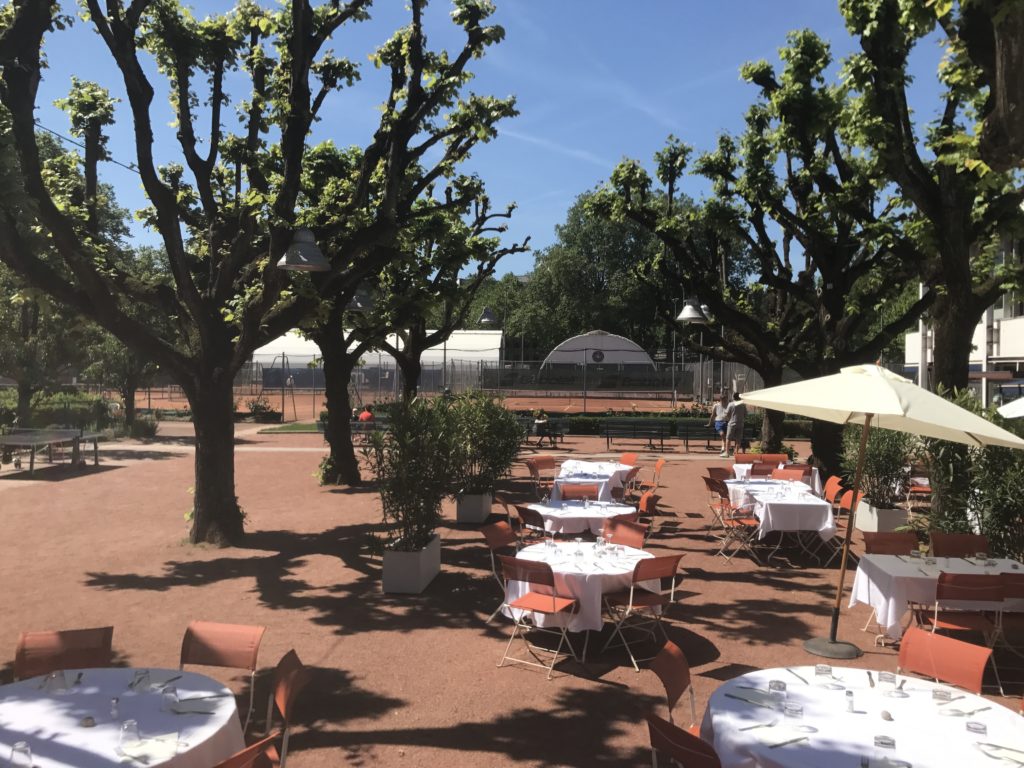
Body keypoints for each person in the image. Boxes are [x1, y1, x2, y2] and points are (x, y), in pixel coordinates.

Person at [726, 392, 747, 458]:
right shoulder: (743, 404)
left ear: (733, 397)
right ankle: (736, 452)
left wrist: (730, 417)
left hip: (732, 423)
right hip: (740, 423)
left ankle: (727, 452)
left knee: (728, 438)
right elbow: (745, 414)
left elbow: (727, 413)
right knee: (738, 439)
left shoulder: (731, 404)